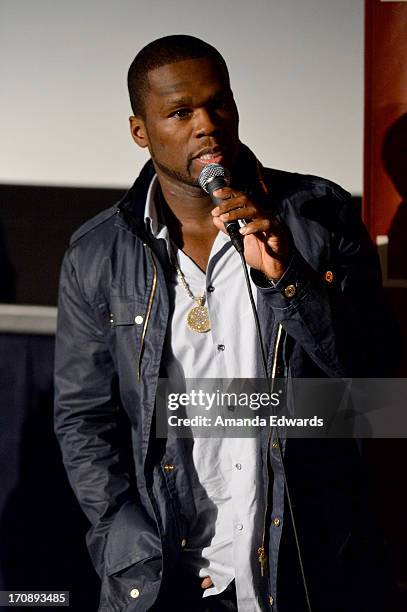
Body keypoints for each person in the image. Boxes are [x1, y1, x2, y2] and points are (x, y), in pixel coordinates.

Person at [54, 35, 399, 612]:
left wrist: (289, 278)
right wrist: (124, 540)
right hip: (170, 578)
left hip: (306, 570)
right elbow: (84, 421)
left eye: (220, 105)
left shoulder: (318, 215)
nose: (207, 125)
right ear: (142, 131)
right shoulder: (97, 255)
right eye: (181, 112)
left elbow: (375, 383)